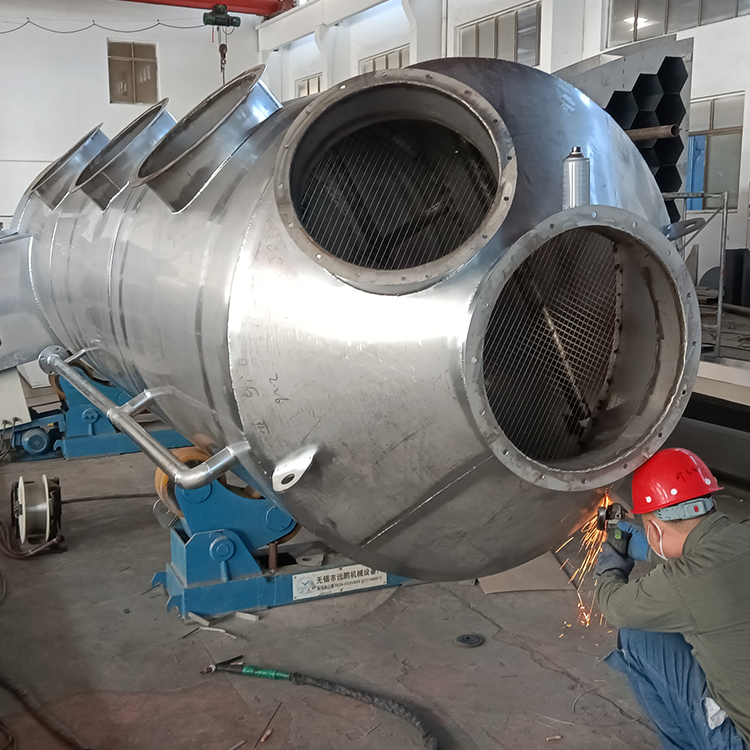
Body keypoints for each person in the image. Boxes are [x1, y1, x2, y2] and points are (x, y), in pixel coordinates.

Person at [595, 447, 750, 750]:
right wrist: (651, 550)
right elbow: (707, 562)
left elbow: (614, 605)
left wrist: (610, 567)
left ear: (654, 529)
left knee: (639, 636)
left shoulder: (685, 583)